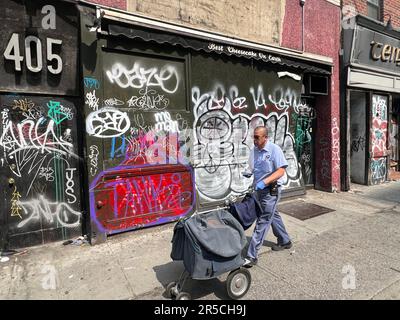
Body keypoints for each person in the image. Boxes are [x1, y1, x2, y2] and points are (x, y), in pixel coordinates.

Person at [243, 126, 292, 267]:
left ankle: (252, 255)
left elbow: (281, 171)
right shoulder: (255, 151)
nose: (255, 140)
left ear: (266, 137)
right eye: (254, 137)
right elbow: (252, 167)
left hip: (271, 191)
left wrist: (264, 182)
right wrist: (248, 172)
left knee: (263, 220)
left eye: (258, 137)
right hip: (259, 190)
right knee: (273, 215)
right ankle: (285, 240)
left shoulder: (274, 150)